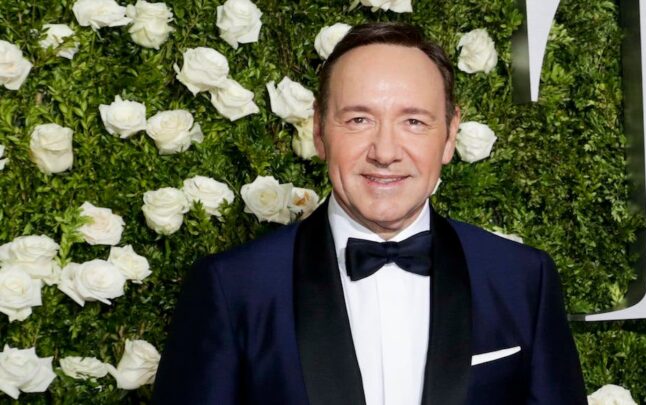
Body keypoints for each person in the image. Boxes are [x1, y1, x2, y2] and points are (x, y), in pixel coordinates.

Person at [152, 22, 587, 404]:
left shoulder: (523, 279)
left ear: (450, 135)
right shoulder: (232, 288)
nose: (385, 152)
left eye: (414, 121)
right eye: (359, 120)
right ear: (319, 130)